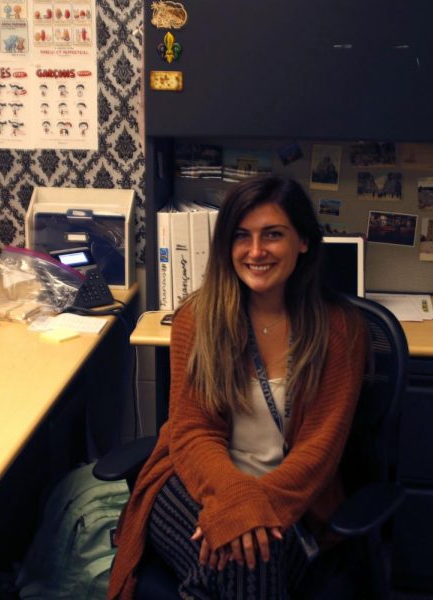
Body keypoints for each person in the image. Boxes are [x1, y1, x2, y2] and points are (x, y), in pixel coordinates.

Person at [108, 175, 367, 599]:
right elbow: (192, 432)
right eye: (241, 237)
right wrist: (236, 505)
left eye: (273, 235)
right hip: (191, 482)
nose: (255, 251)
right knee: (250, 556)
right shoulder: (198, 317)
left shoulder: (340, 330)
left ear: (303, 241)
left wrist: (250, 511)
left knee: (248, 561)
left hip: (291, 496)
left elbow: (319, 450)